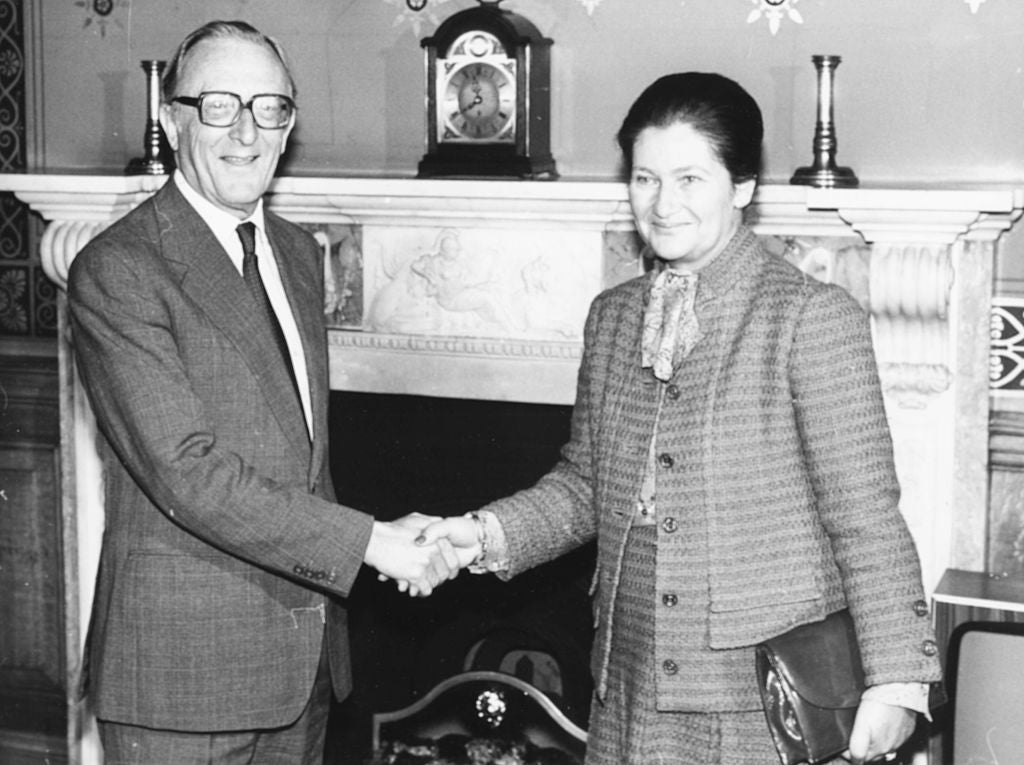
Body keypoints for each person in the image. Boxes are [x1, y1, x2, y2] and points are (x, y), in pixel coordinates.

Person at [416, 72, 942, 765]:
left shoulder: (809, 316)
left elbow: (865, 512)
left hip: (756, 698)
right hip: (626, 683)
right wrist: (481, 533)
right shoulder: (613, 317)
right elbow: (585, 485)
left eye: (690, 179)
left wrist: (897, 681)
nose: (663, 204)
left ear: (743, 187)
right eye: (644, 178)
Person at [67, 20, 456, 764]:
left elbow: (295, 452)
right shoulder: (119, 269)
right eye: (219, 105)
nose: (246, 131)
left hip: (301, 673)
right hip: (180, 683)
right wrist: (373, 543)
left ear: (290, 125)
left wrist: (388, 535)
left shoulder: (299, 255)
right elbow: (189, 472)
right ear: (172, 119)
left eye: (270, 107)